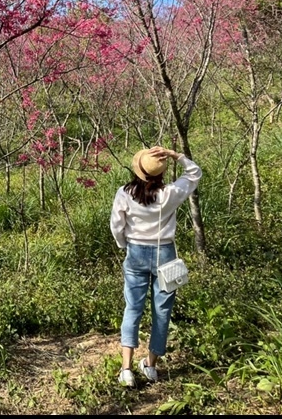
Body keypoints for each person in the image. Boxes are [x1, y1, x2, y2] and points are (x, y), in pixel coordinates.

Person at [110, 145, 202, 387]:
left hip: (136, 253)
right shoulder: (170, 193)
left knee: (133, 308)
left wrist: (123, 245)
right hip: (165, 253)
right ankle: (150, 365)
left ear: (138, 171)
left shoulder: (124, 193)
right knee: (162, 311)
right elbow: (195, 173)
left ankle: (127, 369)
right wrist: (177, 156)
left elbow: (116, 226)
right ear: (160, 174)